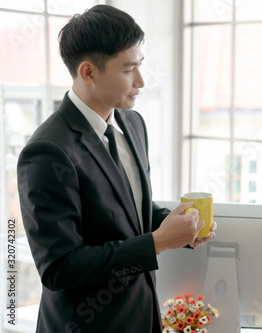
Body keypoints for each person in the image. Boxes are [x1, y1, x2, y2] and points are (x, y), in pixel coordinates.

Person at [16, 5, 216, 333]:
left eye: (140, 66)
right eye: (128, 69)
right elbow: (59, 268)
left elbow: (130, 212)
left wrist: (178, 227)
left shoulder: (133, 123)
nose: (140, 81)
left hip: (142, 317)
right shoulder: (47, 152)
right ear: (88, 72)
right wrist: (157, 243)